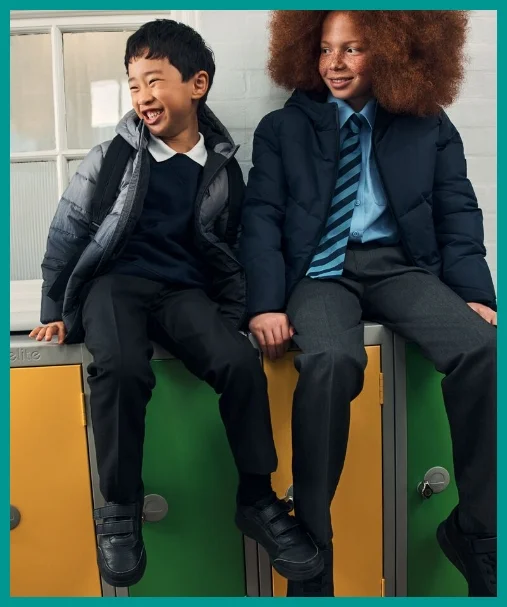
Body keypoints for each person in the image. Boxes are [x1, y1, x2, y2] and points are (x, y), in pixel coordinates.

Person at [29, 19, 323, 588]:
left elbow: (232, 250)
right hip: (114, 285)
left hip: (182, 292)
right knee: (121, 369)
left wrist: (236, 318)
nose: (142, 95)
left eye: (154, 80)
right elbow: (68, 231)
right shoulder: (112, 157)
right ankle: (120, 506)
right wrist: (54, 311)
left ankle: (257, 498)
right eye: (133, 84)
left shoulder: (222, 169)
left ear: (197, 84)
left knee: (239, 364)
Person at [240, 10, 497, 597]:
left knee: (486, 349)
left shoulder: (428, 124)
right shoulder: (283, 128)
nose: (334, 63)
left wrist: (474, 294)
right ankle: (313, 554)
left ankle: (478, 533)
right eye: (325, 49)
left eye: (352, 49)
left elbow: (457, 210)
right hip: (319, 272)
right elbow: (261, 221)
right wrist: (265, 305)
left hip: (397, 266)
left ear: (390, 49)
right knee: (331, 362)